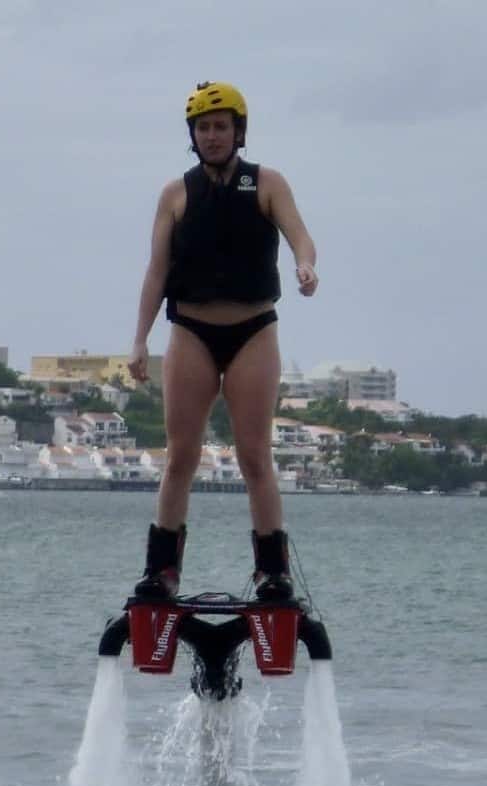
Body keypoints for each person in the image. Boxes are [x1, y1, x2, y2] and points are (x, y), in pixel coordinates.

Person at [127, 81, 318, 602]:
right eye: (203, 128)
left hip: (253, 329)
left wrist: (305, 264)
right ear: (192, 135)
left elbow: (300, 235)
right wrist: (140, 339)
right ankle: (161, 572)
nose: (212, 136)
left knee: (254, 454)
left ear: (239, 131)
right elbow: (156, 271)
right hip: (191, 329)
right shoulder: (175, 194)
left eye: (221, 126)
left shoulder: (267, 183)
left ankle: (273, 573)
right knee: (180, 455)